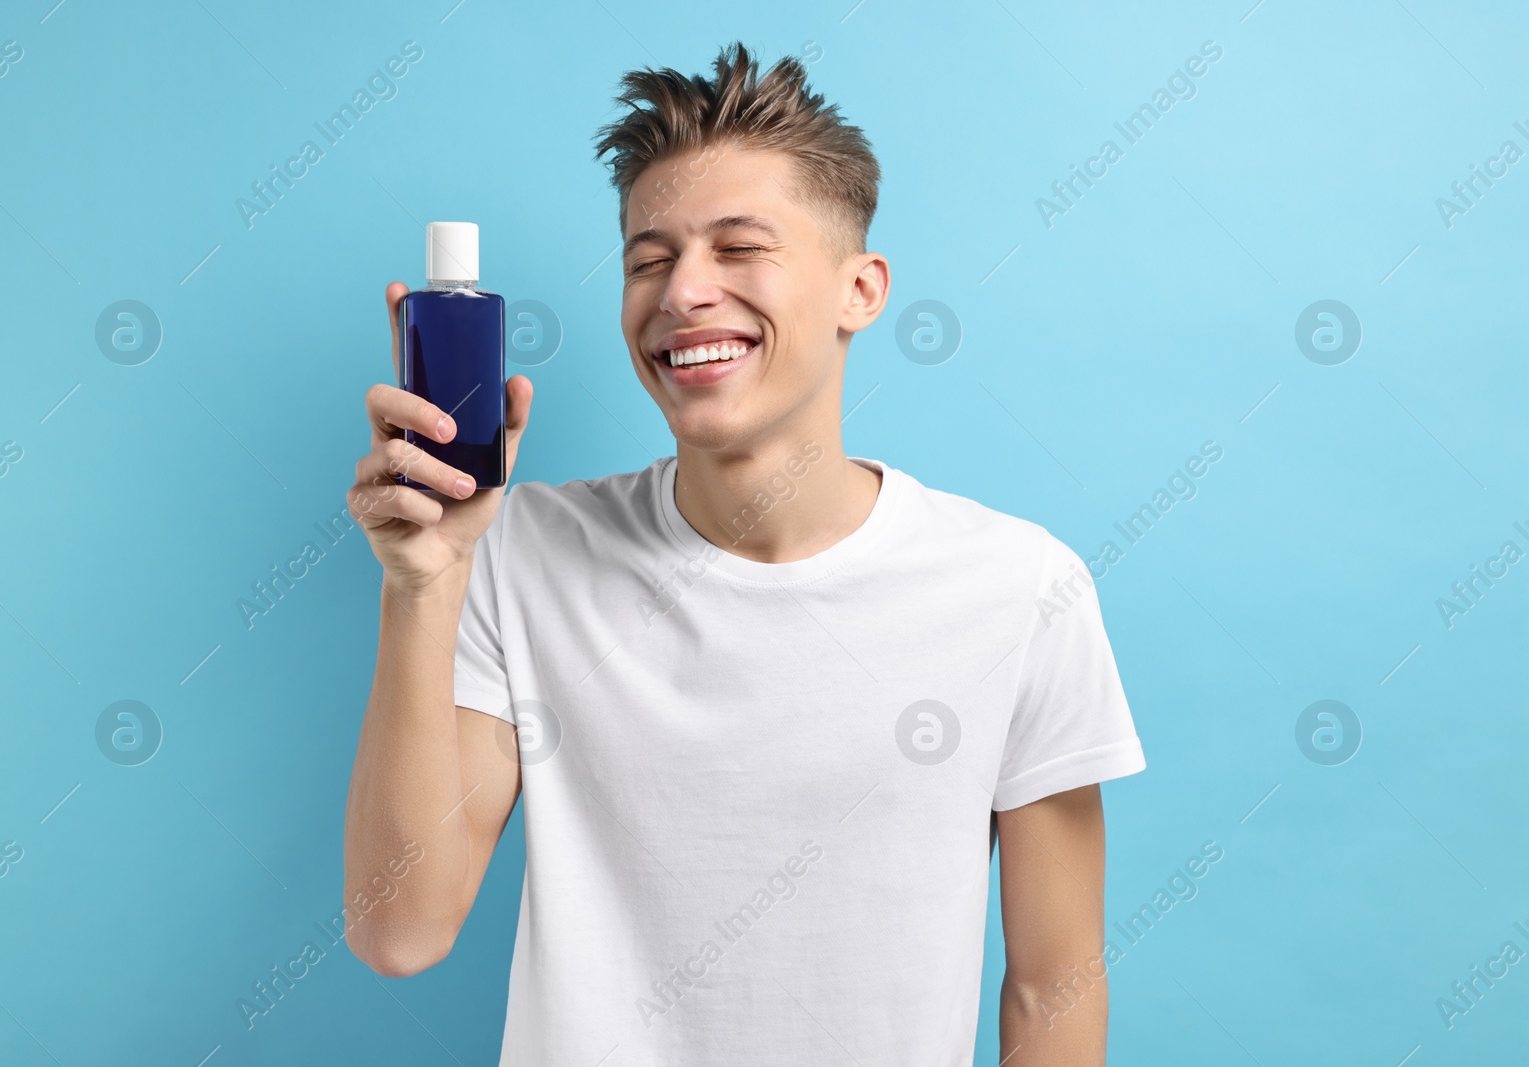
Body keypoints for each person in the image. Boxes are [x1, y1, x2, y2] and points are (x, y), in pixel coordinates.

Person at [342, 41, 1145, 1066]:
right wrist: (422, 586)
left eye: (737, 248)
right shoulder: (519, 552)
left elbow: (1050, 986)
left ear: (861, 288)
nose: (681, 292)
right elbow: (398, 929)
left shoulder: (1021, 588)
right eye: (646, 258)